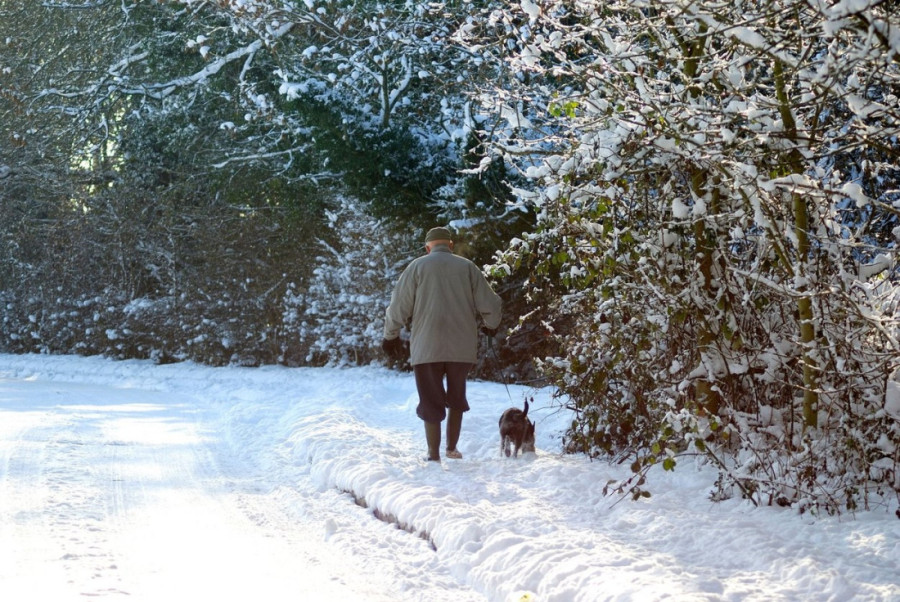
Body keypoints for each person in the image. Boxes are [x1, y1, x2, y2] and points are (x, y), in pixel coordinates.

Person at [382, 227, 502, 462]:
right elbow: (491, 303)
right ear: (450, 244)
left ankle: (433, 453)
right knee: (457, 395)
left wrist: (390, 335)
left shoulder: (416, 267)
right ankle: (452, 448)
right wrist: (491, 325)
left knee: (430, 396)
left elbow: (398, 306)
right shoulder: (467, 267)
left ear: (428, 247)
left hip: (426, 346)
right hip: (462, 345)